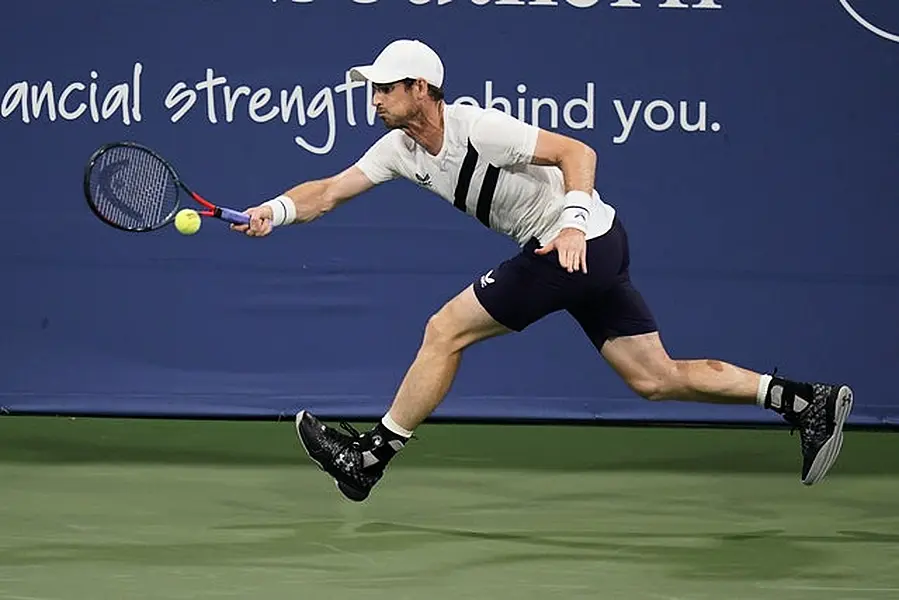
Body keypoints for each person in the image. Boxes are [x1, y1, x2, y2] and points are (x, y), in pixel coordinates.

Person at [231, 39, 854, 502]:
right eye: (372, 87)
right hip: (591, 250)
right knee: (655, 378)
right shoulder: (398, 149)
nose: (374, 98)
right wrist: (275, 212)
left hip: (578, 243)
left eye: (386, 88)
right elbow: (331, 191)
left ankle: (370, 458)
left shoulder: (478, 128)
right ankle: (804, 401)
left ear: (422, 88)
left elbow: (577, 152)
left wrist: (573, 223)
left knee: (445, 330)